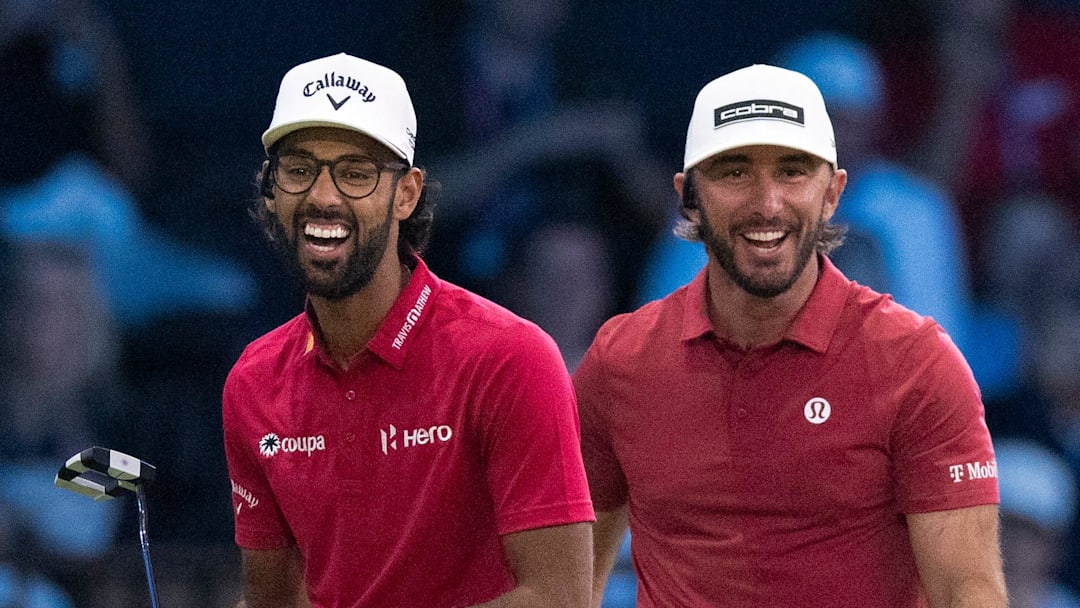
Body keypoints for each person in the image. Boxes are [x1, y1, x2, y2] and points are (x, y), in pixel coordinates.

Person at [574, 64, 1007, 607]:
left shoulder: (915, 364)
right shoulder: (621, 361)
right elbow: (568, 585)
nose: (767, 203)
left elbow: (967, 592)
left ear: (833, 193)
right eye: (734, 172)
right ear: (688, 196)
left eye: (792, 172)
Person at [222, 52, 594, 608]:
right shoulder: (252, 383)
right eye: (299, 170)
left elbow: (560, 598)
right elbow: (271, 602)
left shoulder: (511, 358)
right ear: (272, 193)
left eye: (355, 173)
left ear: (407, 193)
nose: (322, 196)